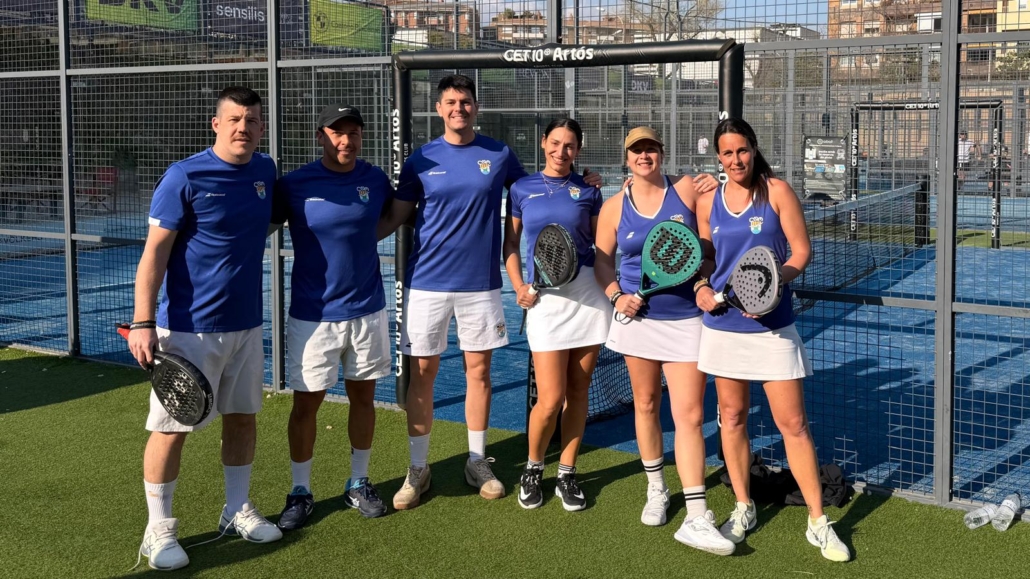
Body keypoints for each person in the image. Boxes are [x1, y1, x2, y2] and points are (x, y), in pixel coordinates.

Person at [387, 75, 601, 511]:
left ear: (476, 107)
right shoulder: (420, 159)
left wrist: (584, 179)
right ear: (439, 108)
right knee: (422, 373)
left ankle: (476, 461)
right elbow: (398, 214)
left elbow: (541, 191)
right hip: (426, 282)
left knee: (479, 372)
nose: (458, 108)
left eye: (465, 101)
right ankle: (417, 468)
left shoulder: (499, 155)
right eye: (451, 102)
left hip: (481, 284)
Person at [127, 87, 281, 571]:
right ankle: (158, 530)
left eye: (252, 121)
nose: (243, 128)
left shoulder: (265, 170)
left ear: (261, 127)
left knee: (242, 418)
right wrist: (143, 322)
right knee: (171, 429)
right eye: (234, 119)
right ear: (216, 124)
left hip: (246, 326)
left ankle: (235, 509)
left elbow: (258, 225)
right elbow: (154, 253)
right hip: (187, 329)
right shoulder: (184, 176)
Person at [693, 118, 850, 562]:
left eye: (742, 150)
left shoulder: (776, 191)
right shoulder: (708, 201)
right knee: (732, 417)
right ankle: (743, 506)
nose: (736, 159)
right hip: (722, 327)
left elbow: (801, 251)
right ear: (718, 157)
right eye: (727, 153)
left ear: (754, 149)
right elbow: (707, 257)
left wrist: (772, 286)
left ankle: (818, 521)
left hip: (773, 328)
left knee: (793, 425)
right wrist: (701, 286)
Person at [594, 126, 731, 555]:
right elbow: (602, 262)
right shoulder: (614, 207)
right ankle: (656, 488)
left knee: (689, 414)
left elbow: (708, 246)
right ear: (627, 158)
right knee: (646, 404)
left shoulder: (687, 189)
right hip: (637, 321)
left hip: (687, 319)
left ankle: (696, 514)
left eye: (650, 149)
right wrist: (616, 295)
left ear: (662, 153)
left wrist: (718, 188)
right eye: (636, 150)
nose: (644, 155)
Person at [271, 105, 393, 530]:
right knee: (306, 405)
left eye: (354, 132)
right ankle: (300, 491)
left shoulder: (375, 179)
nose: (347, 140)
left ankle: (358, 482)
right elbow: (257, 226)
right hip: (313, 316)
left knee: (364, 399)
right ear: (320, 136)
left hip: (368, 311)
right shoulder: (294, 184)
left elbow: (397, 213)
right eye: (337, 133)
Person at [503, 118, 610, 512]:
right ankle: (533, 468)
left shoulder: (589, 191)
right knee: (550, 399)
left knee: (578, 392)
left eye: (570, 146)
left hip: (588, 298)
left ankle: (567, 472)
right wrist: (519, 286)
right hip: (546, 303)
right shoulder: (521, 189)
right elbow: (511, 243)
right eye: (555, 143)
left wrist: (601, 190)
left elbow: (603, 245)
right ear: (543, 142)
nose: (561, 151)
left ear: (577, 150)